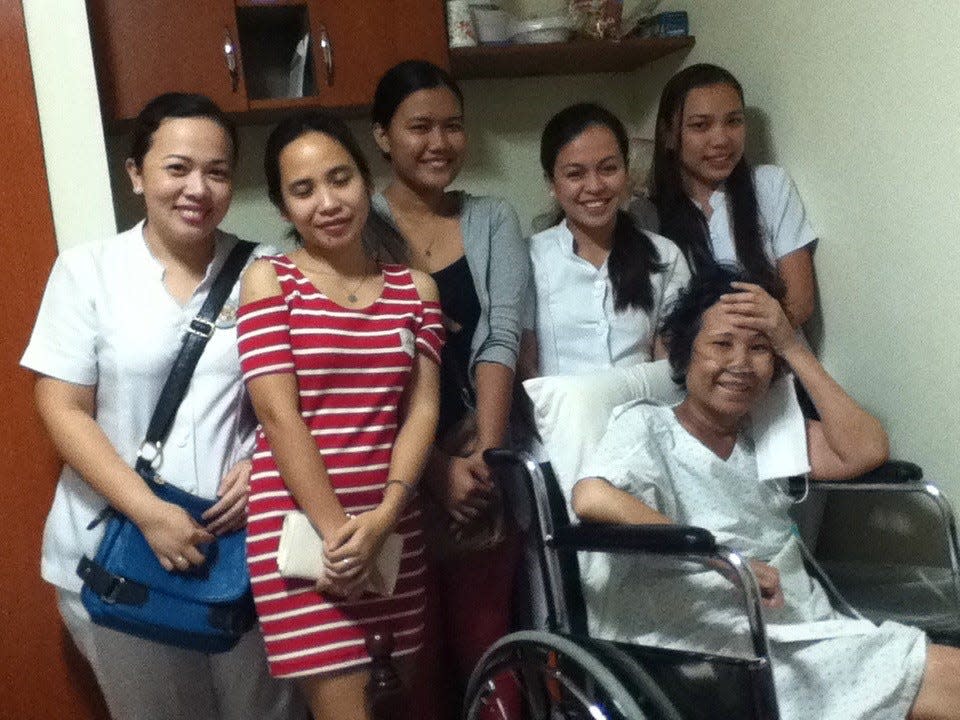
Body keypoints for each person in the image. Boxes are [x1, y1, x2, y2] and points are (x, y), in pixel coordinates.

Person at [21, 93, 303, 720]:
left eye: (218, 170)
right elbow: (62, 407)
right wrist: (149, 512)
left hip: (243, 551)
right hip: (119, 553)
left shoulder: (270, 269)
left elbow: (303, 397)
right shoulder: (88, 271)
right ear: (136, 173)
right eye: (177, 168)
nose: (197, 188)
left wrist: (267, 464)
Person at [572, 266, 960, 719]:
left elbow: (867, 449)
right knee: (946, 678)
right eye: (721, 345)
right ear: (685, 356)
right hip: (708, 640)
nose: (740, 363)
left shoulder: (769, 437)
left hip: (791, 622)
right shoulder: (648, 426)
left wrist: (791, 343)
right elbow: (592, 497)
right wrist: (718, 557)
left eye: (759, 348)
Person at [237, 110, 444, 720]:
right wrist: (340, 538)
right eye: (303, 190)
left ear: (365, 180)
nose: (328, 202)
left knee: (392, 706)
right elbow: (278, 417)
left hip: (392, 534)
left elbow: (421, 408)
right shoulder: (269, 281)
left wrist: (383, 520)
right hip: (305, 539)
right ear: (282, 207)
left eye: (340, 178)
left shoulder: (416, 289)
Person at [368, 59, 530, 712]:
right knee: (411, 664)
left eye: (453, 126)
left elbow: (501, 334)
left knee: (489, 648)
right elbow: (361, 366)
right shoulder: (352, 222)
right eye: (420, 127)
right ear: (383, 135)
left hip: (477, 448)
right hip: (385, 466)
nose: (439, 143)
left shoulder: (491, 218)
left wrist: (482, 461)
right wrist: (431, 472)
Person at [522, 102, 690, 379]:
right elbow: (526, 366)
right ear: (551, 183)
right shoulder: (529, 258)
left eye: (608, 169)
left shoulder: (663, 255)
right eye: (575, 174)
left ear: (626, 172)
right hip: (560, 418)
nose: (595, 186)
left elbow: (671, 360)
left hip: (645, 414)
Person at [652, 63, 818, 329]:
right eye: (700, 125)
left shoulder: (770, 185)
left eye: (733, 121)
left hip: (775, 361)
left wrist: (749, 352)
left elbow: (800, 302)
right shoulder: (647, 214)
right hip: (697, 367)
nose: (720, 139)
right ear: (668, 135)